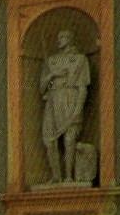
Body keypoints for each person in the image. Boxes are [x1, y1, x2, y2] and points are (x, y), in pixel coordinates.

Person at [39, 29, 90, 183]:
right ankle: (56, 176)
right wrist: (52, 75)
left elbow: (83, 88)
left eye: (63, 37)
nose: (60, 39)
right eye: (59, 37)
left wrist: (78, 110)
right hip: (53, 101)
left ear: (70, 39)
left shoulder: (80, 60)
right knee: (48, 139)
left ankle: (69, 176)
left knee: (69, 139)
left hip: (70, 99)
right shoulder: (51, 61)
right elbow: (41, 88)